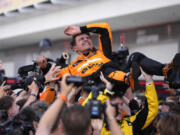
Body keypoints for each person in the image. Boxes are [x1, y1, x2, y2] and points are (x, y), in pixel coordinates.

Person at [100, 67, 159, 135]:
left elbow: (152, 110)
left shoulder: (130, 123)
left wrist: (149, 80)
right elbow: (86, 108)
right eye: (115, 105)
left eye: (121, 104)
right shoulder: (97, 125)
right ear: (106, 107)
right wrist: (108, 89)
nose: (120, 108)